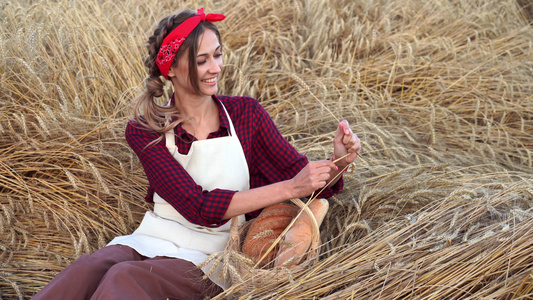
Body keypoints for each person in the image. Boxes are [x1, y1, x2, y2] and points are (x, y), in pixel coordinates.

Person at [33, 7, 361, 300]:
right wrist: (291, 186)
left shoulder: (246, 114)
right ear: (171, 68)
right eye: (202, 60)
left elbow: (306, 180)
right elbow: (197, 206)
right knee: (90, 268)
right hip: (152, 236)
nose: (215, 68)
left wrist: (338, 163)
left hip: (214, 254)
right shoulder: (146, 129)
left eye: (217, 55)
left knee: (124, 277)